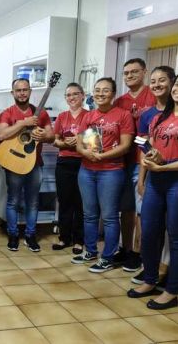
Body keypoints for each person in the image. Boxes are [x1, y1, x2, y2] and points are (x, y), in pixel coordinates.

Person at [72, 77, 134, 273]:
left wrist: (103, 156)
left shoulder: (123, 115)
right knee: (89, 215)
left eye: (105, 90)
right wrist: (86, 153)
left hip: (111, 172)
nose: (100, 94)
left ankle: (107, 257)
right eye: (97, 90)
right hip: (86, 170)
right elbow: (80, 143)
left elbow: (126, 146)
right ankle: (90, 251)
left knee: (109, 217)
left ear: (113, 93)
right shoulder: (89, 116)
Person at [127, 76, 178, 310]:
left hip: (175, 182)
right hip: (155, 182)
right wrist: (148, 167)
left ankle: (172, 290)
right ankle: (149, 279)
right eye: (177, 85)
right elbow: (146, 145)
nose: (177, 90)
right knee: (148, 233)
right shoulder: (157, 117)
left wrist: (163, 165)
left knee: (176, 239)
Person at [0, 78, 54, 252]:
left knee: (33, 202)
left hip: (34, 163)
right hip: (14, 162)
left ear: (30, 92)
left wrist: (43, 135)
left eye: (25, 90)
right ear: (12, 93)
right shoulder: (7, 113)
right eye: (18, 90)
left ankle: (30, 235)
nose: (22, 93)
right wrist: (23, 123)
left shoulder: (41, 113)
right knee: (13, 200)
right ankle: (13, 235)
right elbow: (2, 133)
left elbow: (51, 136)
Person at [113, 58, 156, 272]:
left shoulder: (153, 96)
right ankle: (125, 248)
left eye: (134, 72)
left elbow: (149, 135)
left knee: (141, 210)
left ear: (144, 72)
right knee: (126, 208)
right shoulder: (119, 101)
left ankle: (138, 253)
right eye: (126, 73)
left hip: (143, 163)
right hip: (121, 161)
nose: (129, 76)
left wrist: (138, 143)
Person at [52, 83, 88, 254]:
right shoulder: (62, 116)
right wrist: (64, 143)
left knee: (80, 203)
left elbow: (95, 141)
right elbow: (55, 140)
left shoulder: (90, 116)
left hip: (84, 163)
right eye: (68, 95)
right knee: (64, 201)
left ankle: (79, 240)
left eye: (75, 94)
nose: (72, 97)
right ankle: (63, 237)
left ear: (83, 96)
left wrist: (79, 141)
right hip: (64, 163)